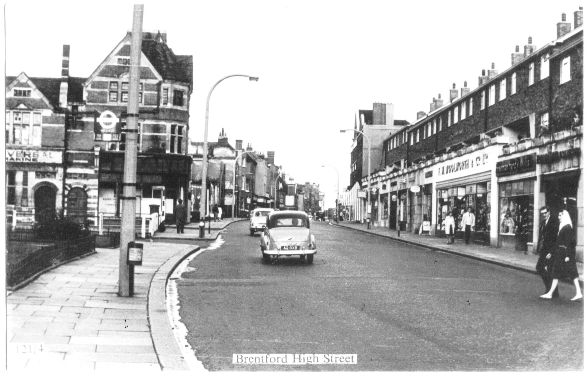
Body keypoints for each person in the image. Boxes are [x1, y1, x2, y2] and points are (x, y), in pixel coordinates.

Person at [540, 209, 583, 301]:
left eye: (560, 215)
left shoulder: (567, 228)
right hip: (561, 254)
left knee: (557, 274)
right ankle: (578, 292)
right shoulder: (563, 226)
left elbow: (569, 243)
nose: (558, 217)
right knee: (571, 274)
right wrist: (552, 253)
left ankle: (550, 294)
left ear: (564, 216)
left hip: (563, 255)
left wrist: (567, 256)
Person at [535, 206, 559, 297]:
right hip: (544, 250)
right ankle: (551, 290)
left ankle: (552, 291)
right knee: (540, 268)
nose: (544, 215)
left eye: (545, 213)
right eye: (542, 213)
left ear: (549, 212)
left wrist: (551, 252)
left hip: (550, 251)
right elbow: (542, 237)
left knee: (547, 269)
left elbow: (556, 239)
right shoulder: (543, 222)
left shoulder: (554, 222)